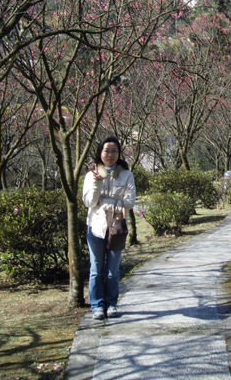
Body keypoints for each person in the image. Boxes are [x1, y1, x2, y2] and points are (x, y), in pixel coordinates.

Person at [82, 135, 136, 320]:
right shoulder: (91, 174)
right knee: (96, 269)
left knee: (113, 271)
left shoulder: (126, 174)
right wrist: (97, 183)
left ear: (119, 153)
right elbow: (89, 201)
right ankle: (97, 305)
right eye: (107, 151)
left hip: (117, 228)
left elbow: (129, 201)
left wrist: (104, 203)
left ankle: (111, 304)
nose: (110, 155)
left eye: (114, 151)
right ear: (100, 152)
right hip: (96, 227)